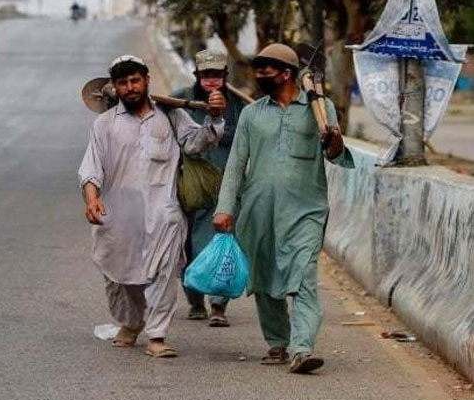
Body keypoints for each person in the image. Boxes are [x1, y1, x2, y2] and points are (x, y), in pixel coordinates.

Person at [212, 43, 354, 374]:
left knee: (302, 275)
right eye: (257, 69)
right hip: (258, 209)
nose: (259, 75)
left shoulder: (320, 107)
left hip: (305, 209)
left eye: (266, 69)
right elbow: (236, 166)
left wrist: (334, 140)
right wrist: (225, 208)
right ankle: (278, 341)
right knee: (264, 277)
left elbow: (334, 153)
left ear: (287, 73)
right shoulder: (251, 114)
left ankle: (302, 348)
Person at [78, 55, 227, 358]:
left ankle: (157, 335)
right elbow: (91, 168)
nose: (130, 88)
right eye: (123, 83)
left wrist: (213, 119)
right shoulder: (104, 125)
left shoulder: (170, 117)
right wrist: (92, 200)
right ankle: (131, 323)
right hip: (117, 217)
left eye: (135, 80)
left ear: (147, 80)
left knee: (162, 274)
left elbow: (196, 143)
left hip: (164, 214)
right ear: (115, 88)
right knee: (119, 275)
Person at [173, 50, 249, 327]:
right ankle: (194, 301)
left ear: (225, 76)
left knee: (224, 242)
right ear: (197, 76)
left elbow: (246, 138)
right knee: (187, 244)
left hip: (226, 185)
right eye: (206, 75)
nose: (211, 81)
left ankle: (219, 304)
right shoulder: (179, 100)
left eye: (216, 75)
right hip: (189, 184)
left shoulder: (240, 105)